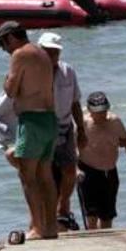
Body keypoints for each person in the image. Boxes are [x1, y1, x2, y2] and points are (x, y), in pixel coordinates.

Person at [0, 20, 58, 240]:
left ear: (11, 38)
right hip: (50, 119)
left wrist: (6, 81)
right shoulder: (42, 53)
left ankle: (38, 228)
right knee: (45, 176)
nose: (6, 51)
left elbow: (11, 90)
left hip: (31, 120)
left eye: (4, 45)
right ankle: (51, 227)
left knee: (27, 175)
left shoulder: (19, 54)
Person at [37, 32, 88, 232]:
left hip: (66, 126)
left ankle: (63, 204)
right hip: (42, 128)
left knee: (69, 170)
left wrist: (82, 129)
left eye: (55, 52)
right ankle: (46, 213)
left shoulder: (68, 71)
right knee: (45, 174)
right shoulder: (34, 73)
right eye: (47, 51)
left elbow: (75, 102)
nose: (51, 55)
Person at [77, 92, 126, 230]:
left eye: (104, 111)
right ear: (90, 111)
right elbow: (73, 149)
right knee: (91, 216)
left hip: (110, 172)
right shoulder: (83, 124)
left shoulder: (115, 122)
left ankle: (106, 244)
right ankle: (93, 245)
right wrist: (75, 170)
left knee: (107, 216)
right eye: (98, 112)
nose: (102, 115)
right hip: (88, 172)